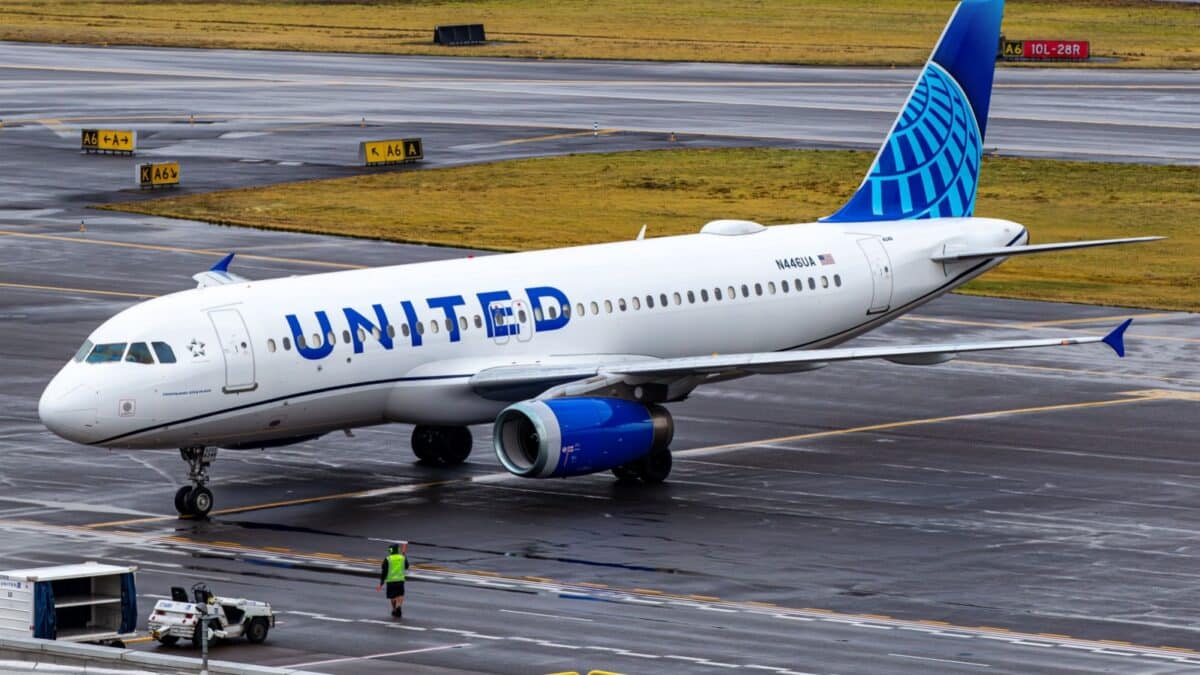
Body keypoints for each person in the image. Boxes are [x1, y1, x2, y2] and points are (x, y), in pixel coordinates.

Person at [377, 542, 409, 618]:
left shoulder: (387, 559)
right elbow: (406, 566)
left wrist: (381, 583)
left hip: (390, 581)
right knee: (400, 595)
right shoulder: (402, 557)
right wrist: (404, 555)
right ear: (397, 550)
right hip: (400, 580)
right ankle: (398, 606)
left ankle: (394, 609)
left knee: (392, 596)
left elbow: (384, 571)